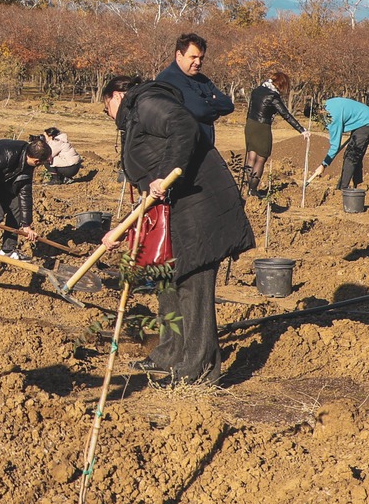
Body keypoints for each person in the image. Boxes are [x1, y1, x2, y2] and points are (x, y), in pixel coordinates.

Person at [102, 74, 255, 386]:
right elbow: (151, 188)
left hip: (200, 211)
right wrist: (122, 230)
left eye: (106, 109)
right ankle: (170, 354)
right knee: (168, 282)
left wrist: (164, 173)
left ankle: (198, 369)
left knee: (192, 286)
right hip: (176, 212)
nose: (109, 116)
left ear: (115, 96)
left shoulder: (146, 102)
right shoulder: (137, 114)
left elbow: (183, 126)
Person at [242, 70, 304, 193]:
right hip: (262, 127)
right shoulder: (273, 96)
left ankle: (248, 188)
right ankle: (253, 190)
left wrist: (248, 123)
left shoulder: (257, 90)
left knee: (251, 157)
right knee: (261, 158)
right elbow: (286, 115)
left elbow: (250, 109)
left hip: (250, 124)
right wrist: (301, 130)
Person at [154, 33, 234, 129]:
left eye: (201, 58)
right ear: (179, 55)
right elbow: (200, 110)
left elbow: (229, 105)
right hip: (181, 138)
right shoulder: (169, 78)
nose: (198, 62)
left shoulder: (202, 80)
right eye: (193, 57)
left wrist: (207, 102)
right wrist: (214, 103)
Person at [307, 95, 369, 192]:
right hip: (362, 120)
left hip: (368, 122)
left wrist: (323, 165)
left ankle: (342, 189)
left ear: (318, 113)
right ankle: (358, 183)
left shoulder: (332, 117)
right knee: (354, 154)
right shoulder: (326, 105)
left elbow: (335, 146)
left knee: (351, 155)